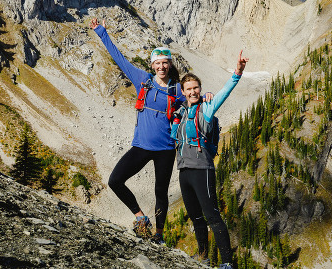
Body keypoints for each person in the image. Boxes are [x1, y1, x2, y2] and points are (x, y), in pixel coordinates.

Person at [90, 18, 184, 242]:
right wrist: (102, 32)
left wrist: (206, 95)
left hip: (166, 149)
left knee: (160, 193)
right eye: (157, 63)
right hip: (141, 146)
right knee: (115, 180)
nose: (161, 67)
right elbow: (119, 59)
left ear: (170, 64)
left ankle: (159, 235)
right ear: (152, 65)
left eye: (165, 63)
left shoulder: (178, 90)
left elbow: (196, 97)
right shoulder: (142, 79)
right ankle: (141, 218)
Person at [172, 50, 248, 269]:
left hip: (202, 169)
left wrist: (237, 73)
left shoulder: (206, 109)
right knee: (196, 219)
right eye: (189, 89)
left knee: (212, 216)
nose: (193, 91)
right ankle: (203, 258)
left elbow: (225, 92)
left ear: (200, 89)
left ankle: (227, 263)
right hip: (184, 171)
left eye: (196, 87)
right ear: (184, 92)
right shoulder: (182, 112)